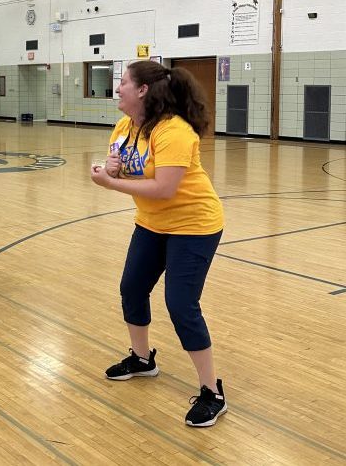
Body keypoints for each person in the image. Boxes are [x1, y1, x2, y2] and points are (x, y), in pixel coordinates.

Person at [90, 60, 226, 428]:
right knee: (132, 287)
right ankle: (141, 358)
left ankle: (212, 391)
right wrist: (111, 167)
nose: (118, 88)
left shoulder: (174, 131)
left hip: (194, 225)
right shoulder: (124, 126)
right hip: (152, 223)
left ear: (143, 90)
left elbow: (164, 189)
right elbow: (120, 165)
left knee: (180, 303)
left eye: (123, 82)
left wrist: (110, 184)